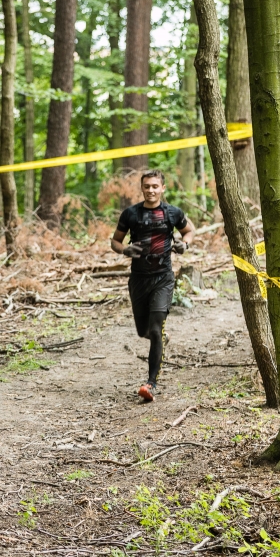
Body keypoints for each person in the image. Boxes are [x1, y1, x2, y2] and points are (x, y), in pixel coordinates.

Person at [111, 170, 195, 402]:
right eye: (147, 186)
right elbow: (115, 241)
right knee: (144, 331)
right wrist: (125, 249)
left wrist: (185, 244)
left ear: (162, 188)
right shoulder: (131, 214)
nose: (151, 190)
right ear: (142, 188)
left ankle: (151, 384)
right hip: (138, 279)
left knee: (156, 329)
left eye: (155, 186)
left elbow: (189, 231)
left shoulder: (172, 213)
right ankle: (158, 340)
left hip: (163, 279)